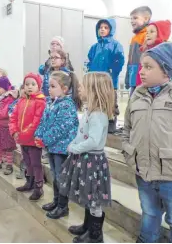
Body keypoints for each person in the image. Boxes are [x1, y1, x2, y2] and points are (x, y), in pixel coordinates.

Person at [122, 42, 172, 243]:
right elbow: (127, 129)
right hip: (145, 174)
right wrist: (129, 153)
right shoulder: (137, 96)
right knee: (149, 214)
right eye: (142, 66)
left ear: (166, 70)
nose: (142, 72)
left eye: (149, 67)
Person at [59, 72, 115, 243]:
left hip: (93, 160)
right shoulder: (90, 112)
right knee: (88, 195)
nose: (79, 89)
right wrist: (73, 144)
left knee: (94, 198)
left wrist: (75, 148)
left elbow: (93, 141)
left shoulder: (98, 115)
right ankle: (87, 226)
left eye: (83, 86)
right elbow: (82, 134)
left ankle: (95, 235)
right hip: (85, 159)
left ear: (93, 90)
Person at [35, 71, 81, 219]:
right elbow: (43, 121)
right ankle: (56, 201)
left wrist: (45, 139)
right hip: (52, 147)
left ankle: (63, 206)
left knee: (61, 178)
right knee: (55, 177)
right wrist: (38, 134)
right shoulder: (50, 102)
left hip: (62, 148)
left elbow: (61, 127)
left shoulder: (67, 105)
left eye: (53, 86)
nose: (49, 89)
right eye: (49, 86)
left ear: (65, 89)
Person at [9, 73, 46, 201]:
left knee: (36, 164)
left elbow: (37, 121)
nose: (29, 87)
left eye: (33, 84)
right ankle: (29, 182)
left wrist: (23, 133)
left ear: (38, 86)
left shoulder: (40, 102)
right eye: (27, 84)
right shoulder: (21, 101)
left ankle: (38, 186)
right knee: (27, 162)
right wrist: (14, 131)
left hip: (33, 139)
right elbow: (13, 117)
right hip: (22, 139)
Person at [84, 18, 125, 133]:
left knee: (110, 102)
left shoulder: (116, 45)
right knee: (95, 102)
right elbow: (89, 60)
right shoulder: (94, 47)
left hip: (109, 81)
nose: (102, 29)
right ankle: (95, 124)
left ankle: (111, 125)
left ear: (111, 30)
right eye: (100, 28)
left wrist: (113, 72)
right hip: (95, 81)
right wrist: (89, 71)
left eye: (105, 27)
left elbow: (119, 60)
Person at [136, 20, 172, 86]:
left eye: (152, 31)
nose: (147, 34)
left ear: (162, 33)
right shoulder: (146, 54)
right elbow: (139, 76)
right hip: (146, 92)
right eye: (146, 32)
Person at [125, 6, 152, 95]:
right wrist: (127, 78)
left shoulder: (148, 36)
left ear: (146, 19)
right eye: (131, 18)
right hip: (133, 78)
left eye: (135, 18)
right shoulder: (134, 38)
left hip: (143, 80)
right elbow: (130, 60)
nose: (132, 21)